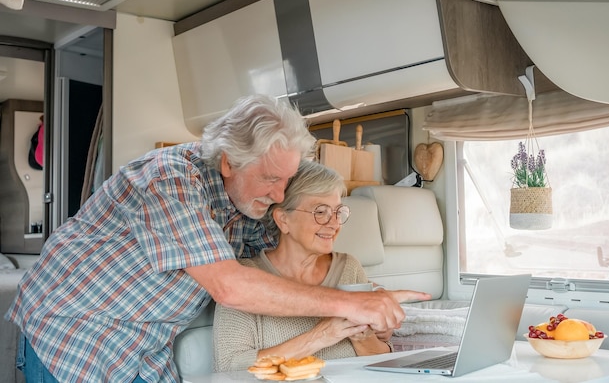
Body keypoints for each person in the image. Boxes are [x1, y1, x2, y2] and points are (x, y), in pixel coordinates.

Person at [5, 94, 428, 383]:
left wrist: (371, 297)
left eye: (285, 181)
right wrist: (349, 304)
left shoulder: (254, 205)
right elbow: (229, 285)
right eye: (269, 179)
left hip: (145, 346)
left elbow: (297, 225)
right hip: (74, 334)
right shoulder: (169, 179)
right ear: (228, 161)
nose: (277, 194)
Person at [213, 160, 423, 372]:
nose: (334, 224)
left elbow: (383, 363)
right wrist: (322, 335)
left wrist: (362, 336)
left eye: (338, 212)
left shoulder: (349, 268)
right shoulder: (243, 279)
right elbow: (231, 368)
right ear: (283, 219)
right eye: (320, 212)